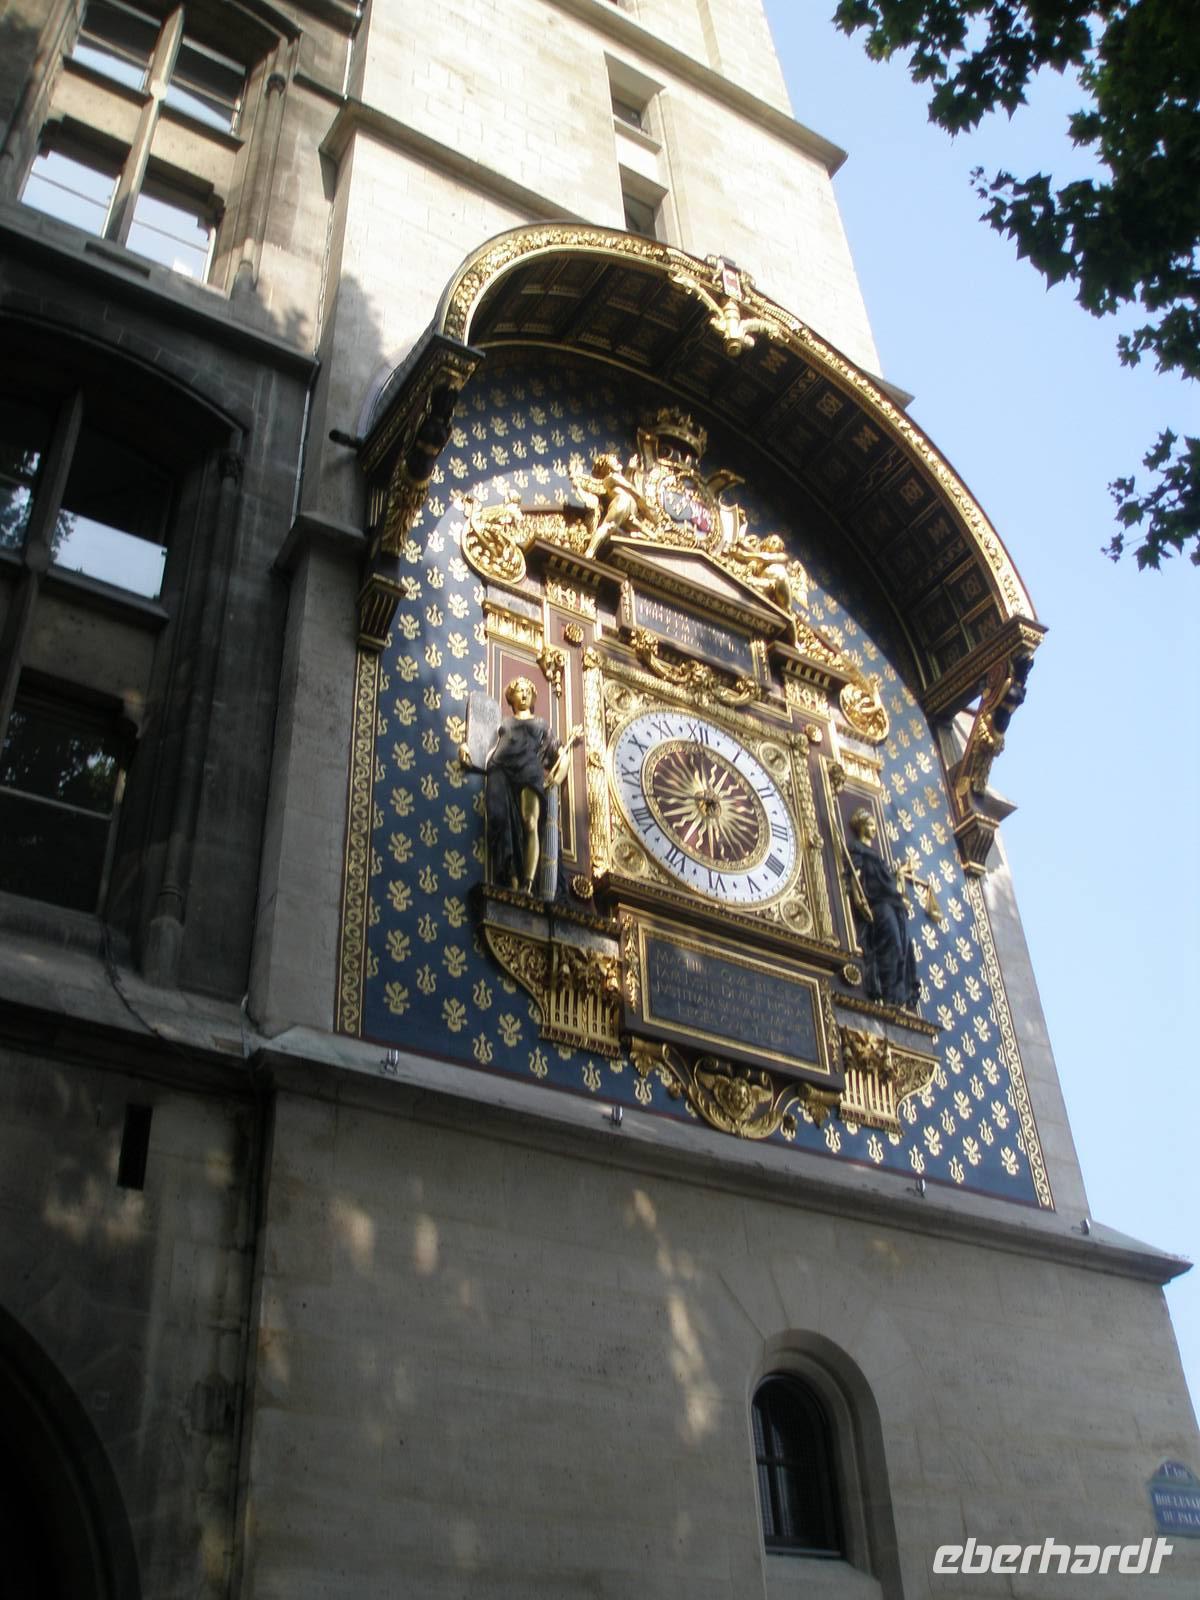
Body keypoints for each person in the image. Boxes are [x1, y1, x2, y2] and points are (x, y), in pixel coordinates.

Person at [459, 677, 578, 894]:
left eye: (527, 691)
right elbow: (485, 748)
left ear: (533, 696)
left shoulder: (541, 724)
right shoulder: (503, 723)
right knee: (499, 819)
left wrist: (556, 780)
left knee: (529, 821)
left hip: (529, 771)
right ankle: (511, 879)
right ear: (511, 697)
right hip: (500, 770)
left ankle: (528, 883)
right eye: (519, 690)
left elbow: (563, 757)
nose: (524, 694)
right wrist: (467, 748)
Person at [845, 807, 919, 1009]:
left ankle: (896, 994)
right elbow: (855, 877)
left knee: (904, 943)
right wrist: (860, 900)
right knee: (893, 941)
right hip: (878, 904)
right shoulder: (858, 849)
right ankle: (887, 991)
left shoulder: (876, 854)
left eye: (874, 825)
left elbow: (887, 879)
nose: (873, 829)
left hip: (892, 903)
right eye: (869, 825)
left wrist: (901, 873)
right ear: (861, 827)